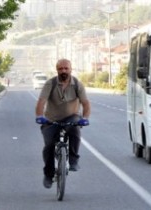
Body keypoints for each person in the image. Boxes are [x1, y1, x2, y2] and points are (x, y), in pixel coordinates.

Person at [35, 58, 91, 189]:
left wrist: (86, 117)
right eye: (61, 69)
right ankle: (48, 174)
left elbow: (86, 103)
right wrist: (39, 116)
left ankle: (73, 159)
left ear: (71, 69)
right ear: (57, 70)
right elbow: (41, 101)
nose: (63, 71)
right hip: (51, 120)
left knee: (75, 129)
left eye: (66, 68)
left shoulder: (77, 84)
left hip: (71, 117)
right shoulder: (50, 83)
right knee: (48, 146)